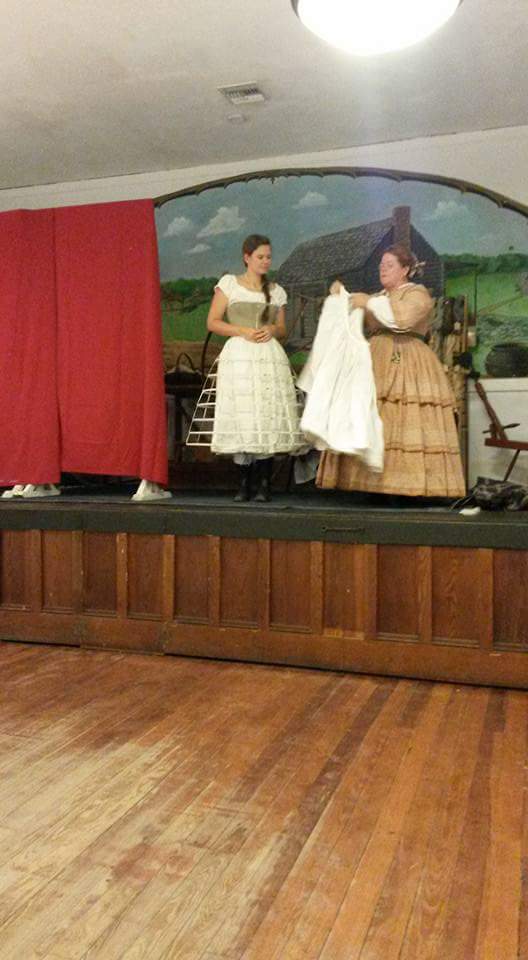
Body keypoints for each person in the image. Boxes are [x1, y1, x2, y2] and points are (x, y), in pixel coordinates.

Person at [317, 244, 466, 499]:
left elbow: (401, 320)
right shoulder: (378, 297)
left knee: (404, 415)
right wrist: (341, 298)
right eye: (381, 265)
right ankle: (370, 485)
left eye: (389, 265)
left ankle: (405, 486)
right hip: (375, 357)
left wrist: (368, 302)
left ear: (405, 269)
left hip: (409, 357)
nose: (382, 270)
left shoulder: (417, 294)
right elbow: (351, 318)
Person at [187, 234, 303, 501]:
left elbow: (283, 329)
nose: (265, 261)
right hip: (240, 354)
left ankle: (264, 484)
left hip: (267, 356)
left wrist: (271, 329)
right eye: (260, 257)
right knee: (243, 411)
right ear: (247, 257)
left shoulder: (276, 291)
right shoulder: (230, 284)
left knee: (265, 411)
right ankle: (243, 483)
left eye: (268, 257)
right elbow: (213, 322)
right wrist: (241, 330)